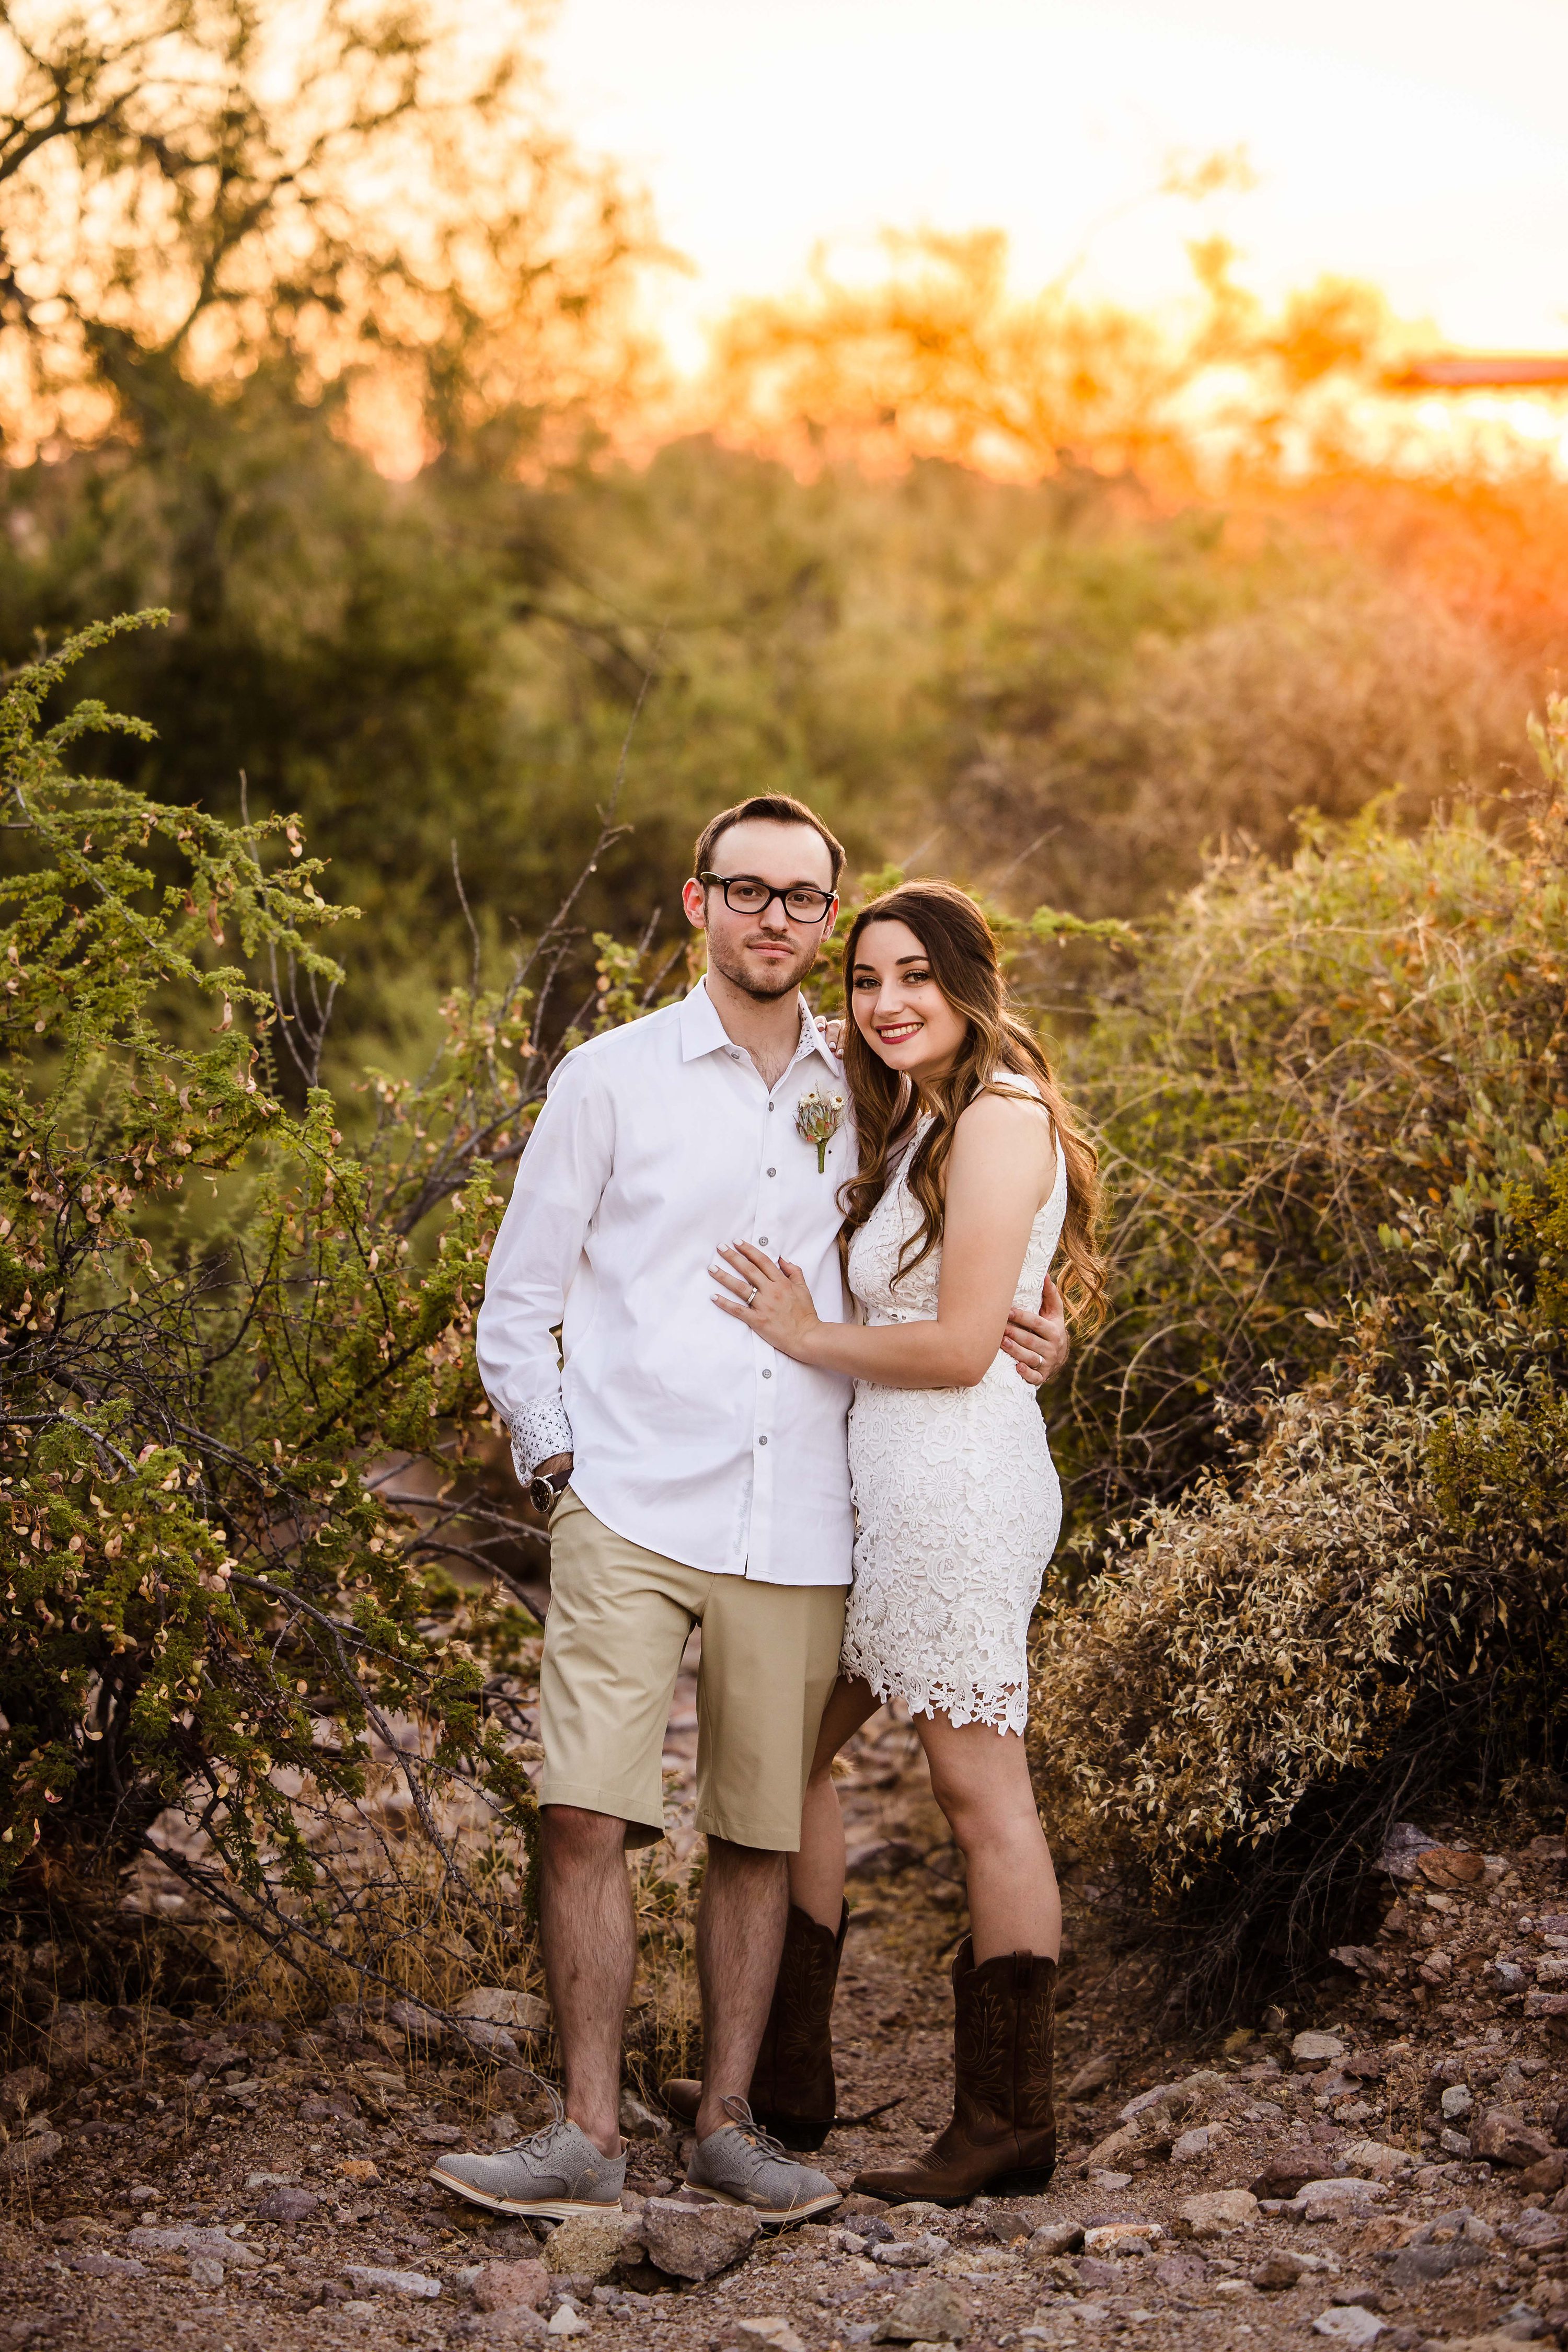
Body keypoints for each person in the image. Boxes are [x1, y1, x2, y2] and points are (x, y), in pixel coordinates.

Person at [429, 800, 1067, 2226]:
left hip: (819, 1513)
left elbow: (970, 1270)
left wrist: (1037, 1326)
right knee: (593, 1807)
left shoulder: (876, 1081)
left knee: (782, 1814)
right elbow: (518, 1298)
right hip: (641, 1498)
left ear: (827, 921)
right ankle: (597, 2125)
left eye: (805, 901)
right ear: (696, 899)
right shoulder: (616, 1077)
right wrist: (560, 1464)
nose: (778, 919)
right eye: (749, 891)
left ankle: (746, 2119)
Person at [691, 880, 1104, 2205]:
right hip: (888, 1485)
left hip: (958, 1482)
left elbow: (966, 1344)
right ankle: (791, 2080)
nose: (885, 1005)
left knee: (980, 1790)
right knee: (790, 1757)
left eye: (914, 976)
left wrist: (809, 1335)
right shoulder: (921, 1114)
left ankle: (1005, 2122)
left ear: (970, 979)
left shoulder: (1001, 1115)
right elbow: (996, 1311)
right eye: (865, 982)